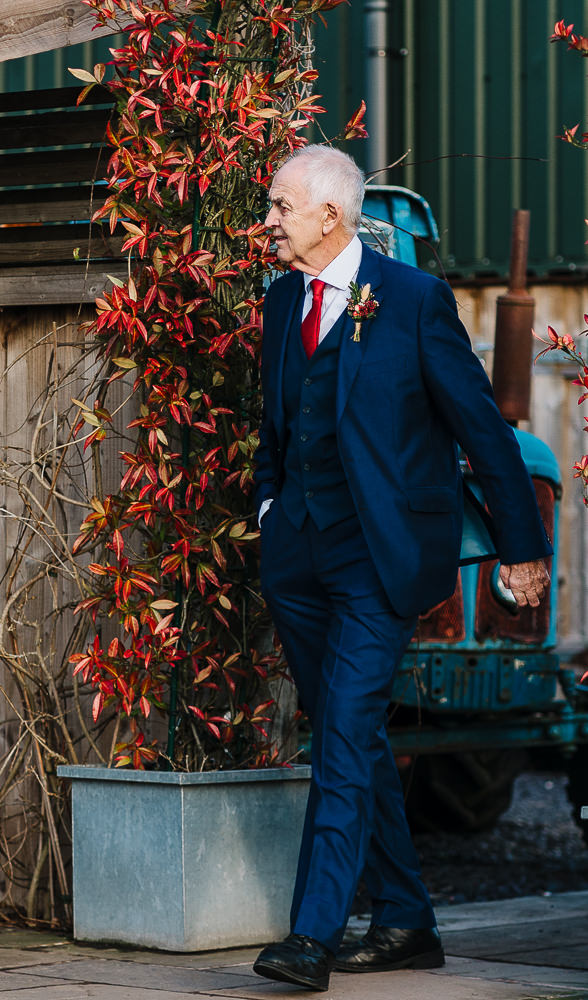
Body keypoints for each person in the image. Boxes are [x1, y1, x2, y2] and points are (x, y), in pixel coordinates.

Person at [249, 144, 552, 992]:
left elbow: (481, 428)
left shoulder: (414, 300)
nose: (268, 221)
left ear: (328, 217)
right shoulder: (279, 302)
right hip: (299, 555)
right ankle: (408, 917)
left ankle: (311, 937)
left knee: (341, 736)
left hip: (380, 558)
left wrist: (522, 546)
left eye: (278, 206)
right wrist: (271, 510)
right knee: (356, 735)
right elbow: (274, 429)